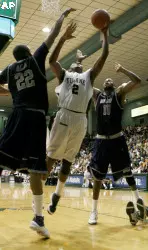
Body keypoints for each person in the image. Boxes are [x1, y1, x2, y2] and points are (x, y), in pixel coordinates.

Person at [0, 8, 75, 238]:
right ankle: (38, 218)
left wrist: (5, 91)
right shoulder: (35, 60)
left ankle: (39, 219)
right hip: (34, 118)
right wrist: (61, 18)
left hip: (16, 116)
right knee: (35, 169)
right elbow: (52, 36)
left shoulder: (9, 70)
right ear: (29, 53)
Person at [46, 22, 109, 214]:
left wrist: (105, 35)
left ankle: (57, 194)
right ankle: (39, 193)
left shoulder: (88, 76)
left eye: (79, 63)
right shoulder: (65, 75)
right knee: (50, 157)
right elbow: (52, 61)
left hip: (80, 119)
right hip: (65, 114)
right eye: (75, 63)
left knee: (68, 160)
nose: (78, 64)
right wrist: (63, 39)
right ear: (72, 67)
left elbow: (104, 56)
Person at [88, 63, 148, 225]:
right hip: (101, 140)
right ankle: (93, 212)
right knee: (97, 178)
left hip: (117, 139)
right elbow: (85, 82)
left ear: (114, 85)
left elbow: (137, 81)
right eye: (105, 80)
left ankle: (139, 201)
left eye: (110, 80)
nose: (108, 80)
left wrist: (122, 70)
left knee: (128, 172)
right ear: (102, 85)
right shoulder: (97, 95)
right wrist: (80, 67)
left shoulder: (119, 93)